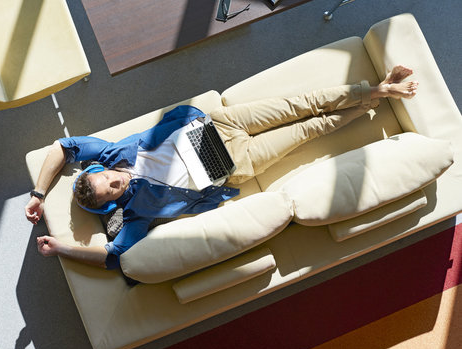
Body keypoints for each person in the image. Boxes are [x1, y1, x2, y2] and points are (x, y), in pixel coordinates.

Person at [25, 66, 418, 270]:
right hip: (234, 165)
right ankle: (373, 97)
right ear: (111, 202)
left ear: (97, 169)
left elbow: (64, 146)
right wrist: (62, 247)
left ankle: (378, 91)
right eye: (112, 190)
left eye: (105, 177)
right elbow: (113, 255)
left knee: (303, 103)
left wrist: (39, 194)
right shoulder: (136, 214)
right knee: (311, 128)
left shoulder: (109, 153)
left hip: (217, 125)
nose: (115, 180)